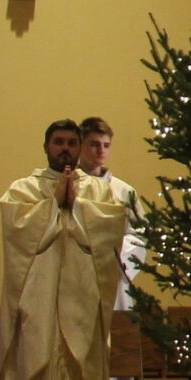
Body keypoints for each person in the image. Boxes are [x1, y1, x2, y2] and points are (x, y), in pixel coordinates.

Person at [0, 119, 129, 380]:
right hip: (39, 301)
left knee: (79, 373)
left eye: (72, 142)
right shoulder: (23, 189)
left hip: (81, 300)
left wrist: (78, 207)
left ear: (80, 146)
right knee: (40, 370)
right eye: (58, 142)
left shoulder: (98, 191)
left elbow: (111, 231)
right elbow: (15, 231)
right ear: (46, 146)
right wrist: (53, 205)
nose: (65, 149)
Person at [77, 117, 146, 313]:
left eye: (106, 145)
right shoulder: (68, 187)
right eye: (94, 144)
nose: (101, 150)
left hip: (112, 274)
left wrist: (112, 255)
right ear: (80, 145)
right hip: (77, 276)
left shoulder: (124, 191)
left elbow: (140, 235)